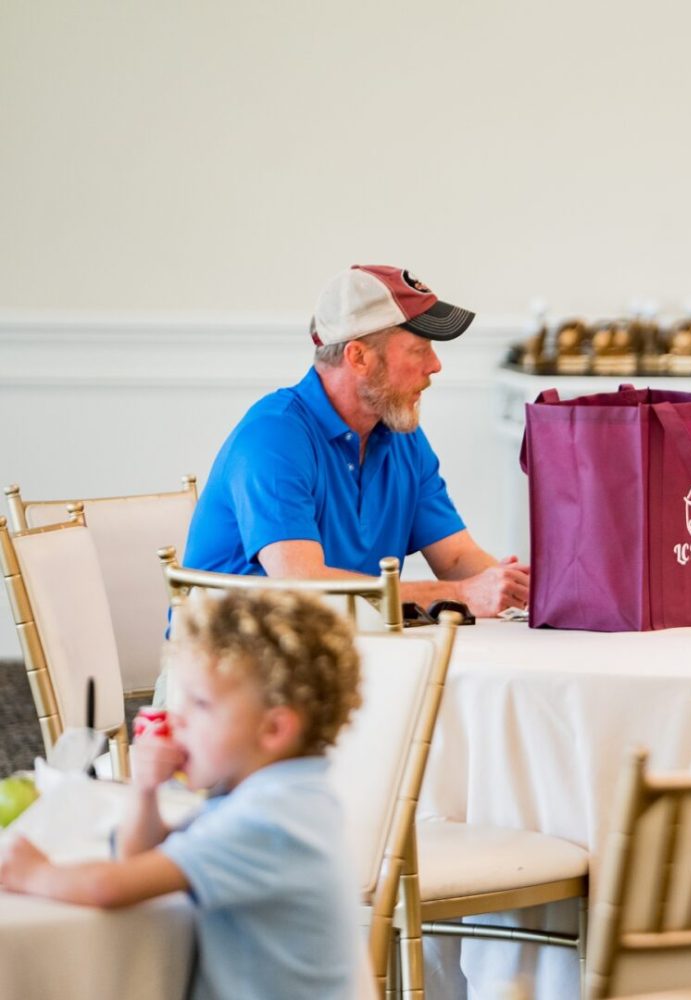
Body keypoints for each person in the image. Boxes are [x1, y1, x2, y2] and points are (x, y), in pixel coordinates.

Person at [0, 590, 366, 1000]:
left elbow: (112, 886)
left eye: (200, 705)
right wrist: (145, 790)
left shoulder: (270, 818)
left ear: (274, 729)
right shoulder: (275, 795)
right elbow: (140, 859)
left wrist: (36, 874)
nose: (177, 720)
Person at [182, 264, 528, 615]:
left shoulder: (400, 436)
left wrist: (520, 588)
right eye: (419, 348)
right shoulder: (274, 437)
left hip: (334, 654)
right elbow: (304, 585)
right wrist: (461, 594)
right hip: (229, 663)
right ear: (358, 357)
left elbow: (455, 558)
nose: (435, 364)